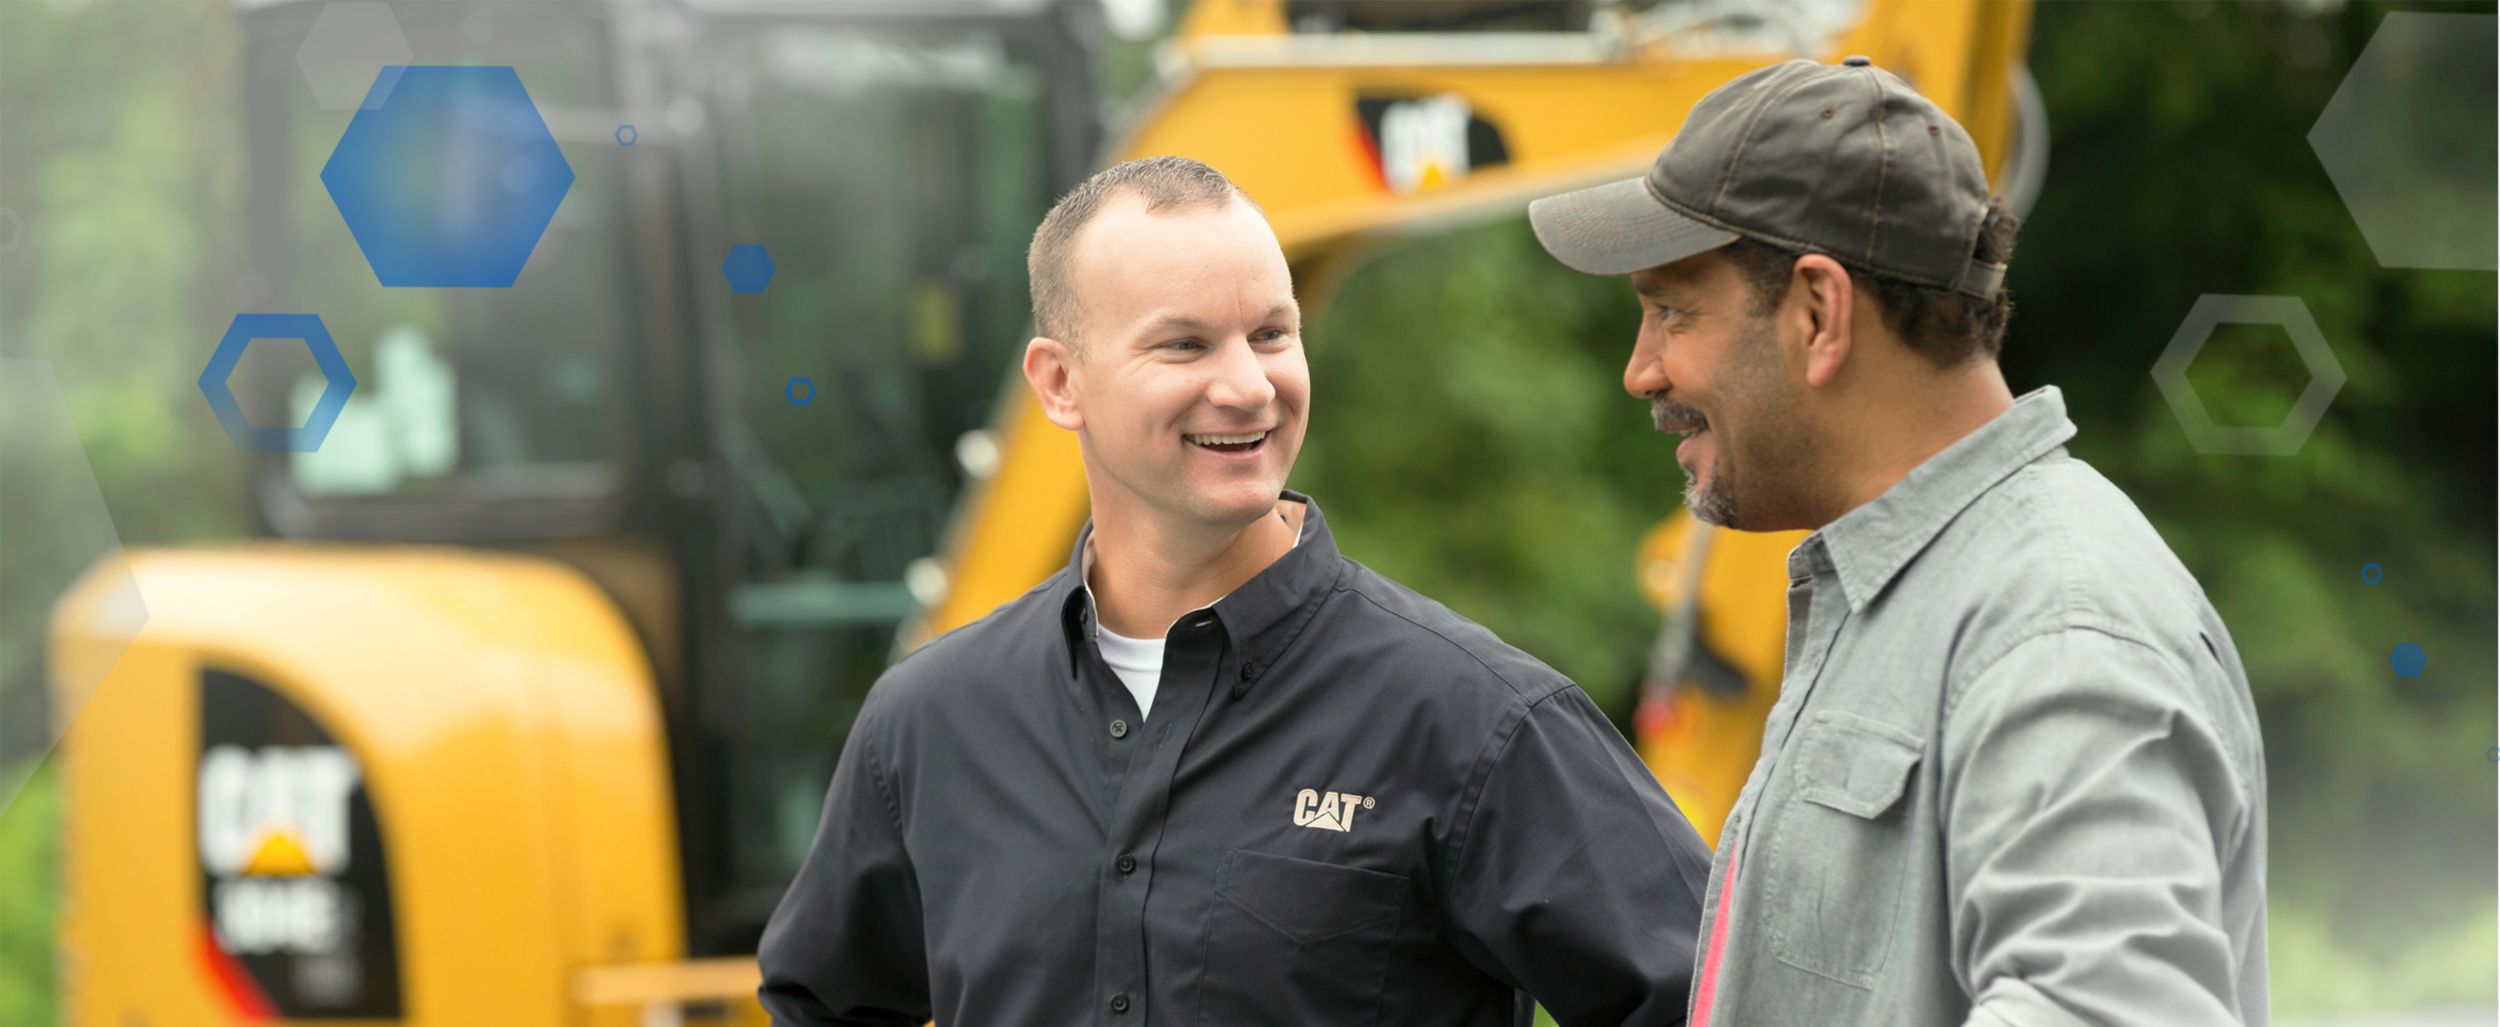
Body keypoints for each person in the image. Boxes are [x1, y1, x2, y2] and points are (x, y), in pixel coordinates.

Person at [758, 155, 1713, 1026]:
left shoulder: (1476, 720)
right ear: (1059, 383)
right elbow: (822, 1002)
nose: (1249, 386)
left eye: (1271, 333)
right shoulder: (929, 722)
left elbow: (1713, 997)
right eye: (1183, 345)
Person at [1528, 56, 2270, 1026]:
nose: (1641, 371)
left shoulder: (2056, 626)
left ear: (1817, 312)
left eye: (1671, 310)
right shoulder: (1915, 593)